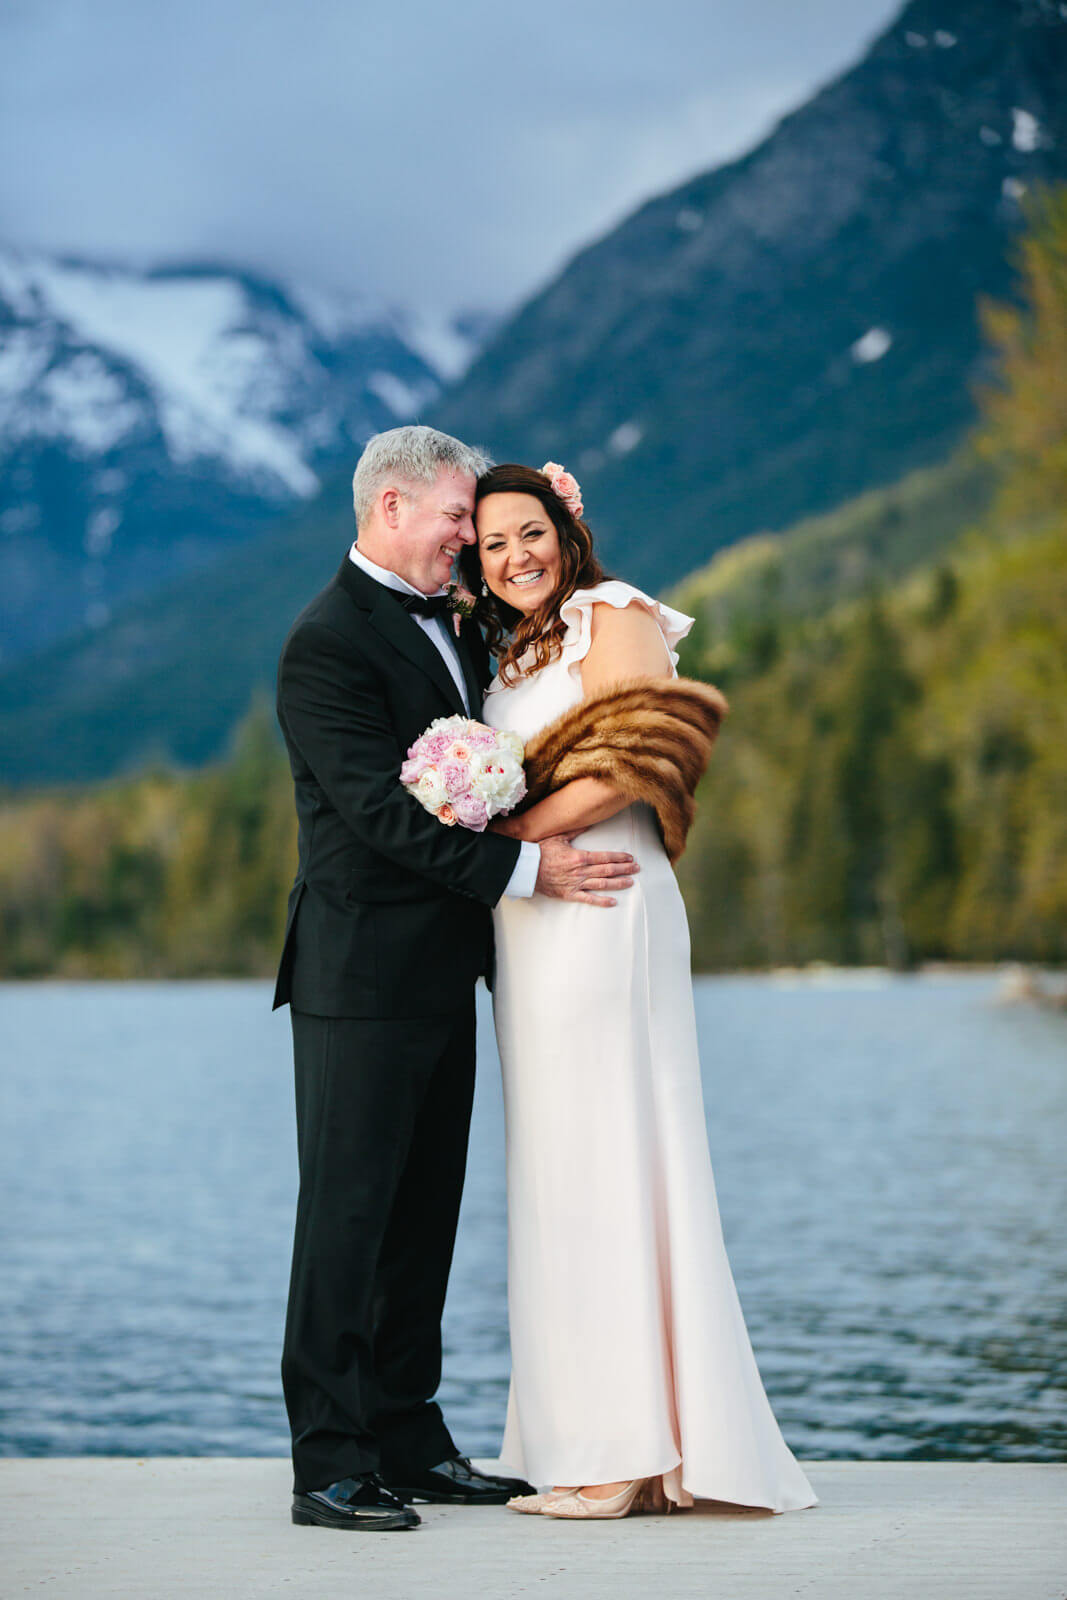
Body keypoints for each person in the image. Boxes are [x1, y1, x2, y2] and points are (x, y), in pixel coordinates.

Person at [273, 427, 640, 1531]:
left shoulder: (454, 622)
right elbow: (378, 816)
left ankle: (408, 1435)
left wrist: (560, 521)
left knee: (422, 1216)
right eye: (453, 523)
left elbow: (547, 608)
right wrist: (526, 867)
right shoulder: (324, 643)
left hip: (448, 971)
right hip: (358, 976)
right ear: (391, 508)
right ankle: (327, 1463)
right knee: (347, 1218)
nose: (467, 546)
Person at [463, 461, 819, 1521]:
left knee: (612, 1149)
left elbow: (634, 754)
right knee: (559, 1164)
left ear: (567, 530)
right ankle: (616, 1441)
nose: (514, 555)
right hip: (532, 921)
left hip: (602, 905)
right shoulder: (514, 645)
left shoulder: (610, 614)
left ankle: (622, 1450)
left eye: (530, 532)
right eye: (491, 545)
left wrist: (513, 831)